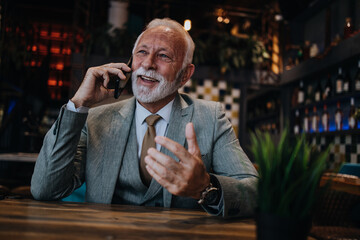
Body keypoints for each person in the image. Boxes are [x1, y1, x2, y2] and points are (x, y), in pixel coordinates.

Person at [31, 18, 258, 218]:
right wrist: (78, 105)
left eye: (163, 56)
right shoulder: (95, 119)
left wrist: (205, 188)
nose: (148, 64)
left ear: (185, 74)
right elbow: (45, 189)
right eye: (142, 52)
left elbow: (255, 191)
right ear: (130, 62)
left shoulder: (211, 117)